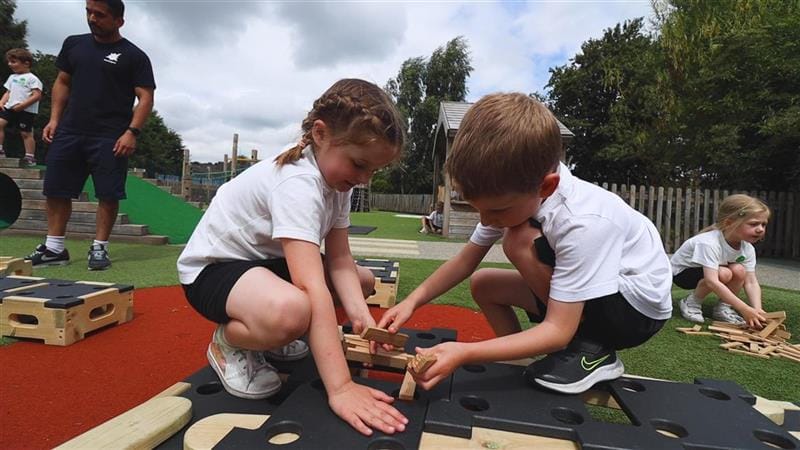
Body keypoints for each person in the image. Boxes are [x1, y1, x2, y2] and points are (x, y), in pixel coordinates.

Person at [376, 93, 672, 395]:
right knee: (484, 284)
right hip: (602, 298)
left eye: (497, 211)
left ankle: (590, 351)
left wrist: (464, 352)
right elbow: (466, 261)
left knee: (518, 240)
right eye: (479, 209)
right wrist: (411, 301)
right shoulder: (518, 193)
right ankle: (523, 361)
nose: (487, 220)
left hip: (634, 313)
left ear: (547, 186)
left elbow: (557, 330)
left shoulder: (582, 221)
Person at [177, 79, 409, 436]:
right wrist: (342, 388)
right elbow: (310, 284)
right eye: (359, 165)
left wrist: (364, 321)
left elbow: (341, 261)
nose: (363, 179)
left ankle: (272, 330)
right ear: (320, 133)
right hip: (213, 271)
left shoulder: (336, 183)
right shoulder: (297, 183)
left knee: (361, 281)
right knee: (294, 311)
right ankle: (230, 341)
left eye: (372, 171)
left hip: (262, 266)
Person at [24, 0, 155, 270]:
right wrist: (54, 119)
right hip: (70, 130)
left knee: (108, 194)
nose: (92, 18)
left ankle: (99, 248)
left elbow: (145, 97)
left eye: (100, 15)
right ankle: (54, 248)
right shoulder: (74, 44)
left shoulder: (134, 56)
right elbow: (62, 81)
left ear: (119, 21)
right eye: (89, 12)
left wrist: (131, 132)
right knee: (56, 190)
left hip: (110, 136)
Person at [671, 194, 769, 328]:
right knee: (724, 273)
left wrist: (757, 309)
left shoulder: (747, 248)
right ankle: (691, 302)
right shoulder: (709, 243)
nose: (760, 229)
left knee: (740, 270)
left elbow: (751, 282)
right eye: (753, 224)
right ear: (729, 223)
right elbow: (712, 281)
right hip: (682, 275)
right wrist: (744, 308)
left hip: (713, 271)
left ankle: (723, 308)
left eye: (764, 224)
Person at [0, 48, 43, 166]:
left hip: (26, 110)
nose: (10, 64)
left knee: (25, 133)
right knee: (0, 124)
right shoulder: (12, 77)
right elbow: (8, 92)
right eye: (9, 62)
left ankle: (30, 157)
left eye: (13, 62)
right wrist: (2, 102)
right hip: (10, 107)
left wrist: (22, 106)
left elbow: (37, 95)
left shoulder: (32, 78)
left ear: (26, 63)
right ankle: (0, 150)